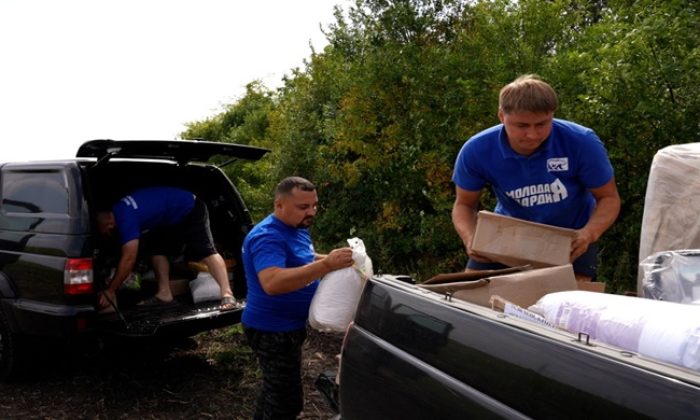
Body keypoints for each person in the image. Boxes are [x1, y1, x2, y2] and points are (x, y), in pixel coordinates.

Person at [451, 74, 621, 282]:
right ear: (502, 117)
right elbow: (464, 205)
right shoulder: (477, 149)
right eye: (522, 126)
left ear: (552, 115)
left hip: (570, 238)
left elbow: (609, 198)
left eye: (542, 124)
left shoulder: (581, 142)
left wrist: (589, 233)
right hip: (507, 234)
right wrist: (470, 238)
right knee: (470, 294)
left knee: (569, 306)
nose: (532, 135)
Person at [241, 176, 353, 419]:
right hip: (271, 330)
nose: (311, 212)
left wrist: (337, 261)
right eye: (303, 207)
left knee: (277, 392)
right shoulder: (268, 236)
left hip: (287, 328)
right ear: (279, 205)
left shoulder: (296, 228)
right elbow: (272, 282)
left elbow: (304, 257)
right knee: (285, 402)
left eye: (314, 205)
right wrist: (327, 266)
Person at [96, 186, 235, 311]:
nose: (107, 234)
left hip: (190, 207)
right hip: (169, 218)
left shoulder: (125, 218)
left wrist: (110, 290)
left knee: (206, 251)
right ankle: (165, 294)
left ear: (109, 223)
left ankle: (227, 294)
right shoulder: (117, 210)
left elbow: (129, 259)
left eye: (103, 231)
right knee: (156, 251)